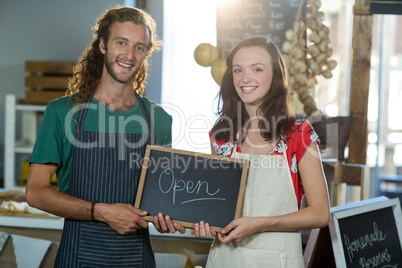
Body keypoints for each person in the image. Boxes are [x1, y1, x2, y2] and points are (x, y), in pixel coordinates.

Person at [25, 6, 184, 267]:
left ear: (146, 54)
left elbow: (161, 197)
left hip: (137, 258)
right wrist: (102, 212)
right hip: (77, 257)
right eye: (121, 43)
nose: (129, 55)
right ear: (102, 45)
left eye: (140, 47)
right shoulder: (63, 112)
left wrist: (167, 218)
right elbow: (35, 193)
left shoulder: (159, 120)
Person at [192, 35, 330, 267]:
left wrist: (260, 224)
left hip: (278, 260)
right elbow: (218, 204)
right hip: (225, 259)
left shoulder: (299, 134)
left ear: (276, 75)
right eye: (238, 70)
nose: (245, 78)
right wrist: (205, 223)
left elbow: (320, 213)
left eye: (257, 69)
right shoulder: (221, 136)